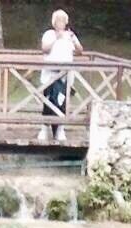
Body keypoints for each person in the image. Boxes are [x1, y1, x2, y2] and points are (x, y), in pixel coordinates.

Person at [37, 9, 81, 144]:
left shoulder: (70, 35)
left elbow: (80, 51)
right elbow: (45, 49)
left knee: (62, 102)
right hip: (50, 75)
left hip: (65, 75)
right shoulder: (49, 34)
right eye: (58, 20)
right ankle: (44, 128)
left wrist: (73, 39)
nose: (60, 23)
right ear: (54, 22)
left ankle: (60, 129)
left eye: (63, 20)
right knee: (49, 102)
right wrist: (57, 37)